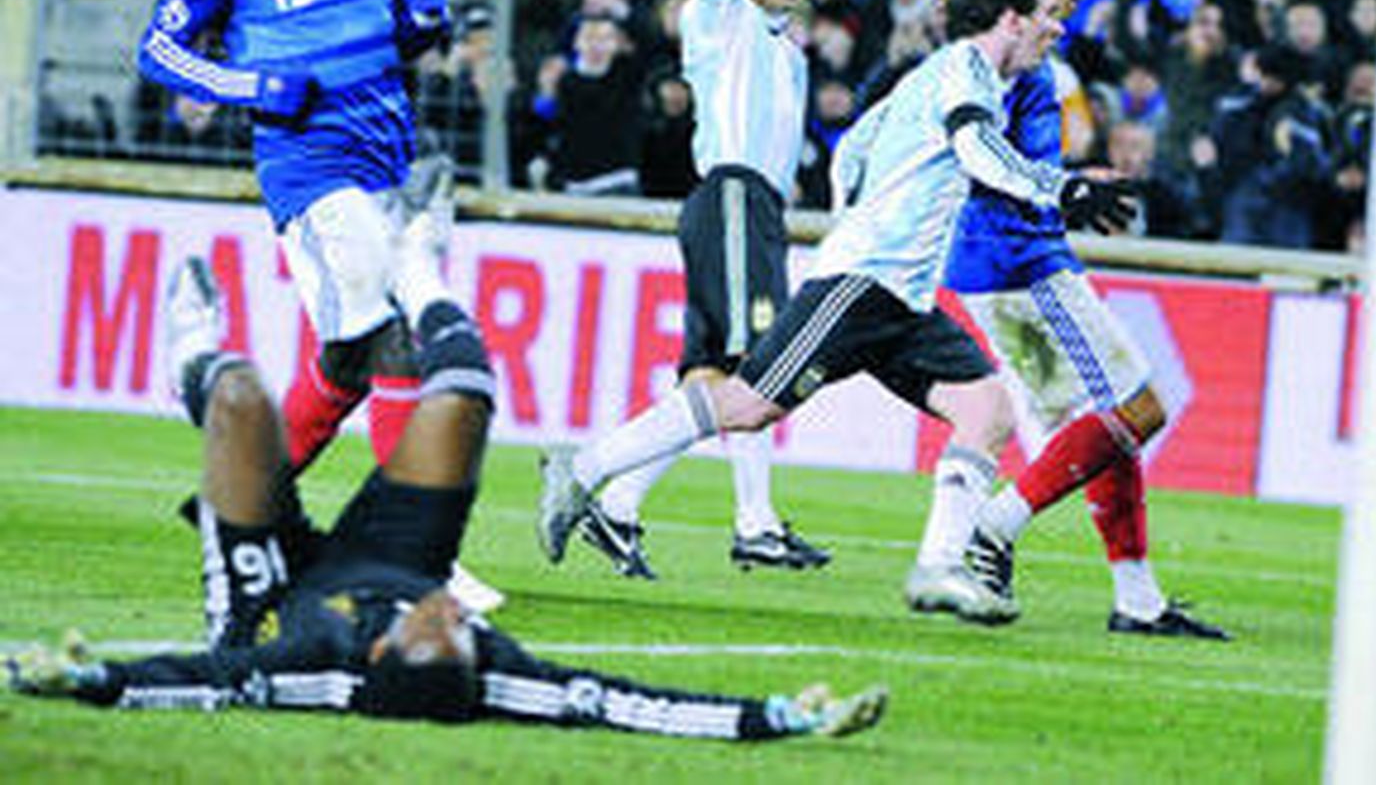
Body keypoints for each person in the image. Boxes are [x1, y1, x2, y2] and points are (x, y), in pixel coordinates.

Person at [5, 244, 887, 741]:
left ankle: (189, 347)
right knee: (465, 397)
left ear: (385, 657)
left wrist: (82, 677)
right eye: (463, 635)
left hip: (270, 598)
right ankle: (419, 261)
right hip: (395, 561)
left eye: (439, 631)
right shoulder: (487, 675)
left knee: (239, 398)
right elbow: (622, 703)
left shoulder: (308, 673)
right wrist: (778, 718)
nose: (456, 619)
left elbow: (198, 683)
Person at [540, 0, 1136, 625]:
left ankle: (937, 570)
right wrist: (1060, 187)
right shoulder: (966, 74)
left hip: (901, 297)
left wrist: (858, 210)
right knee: (745, 404)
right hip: (865, 281)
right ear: (1008, 18)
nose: (1055, 28)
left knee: (988, 408)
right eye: (1042, 16)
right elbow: (974, 148)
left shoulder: (938, 77)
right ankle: (583, 470)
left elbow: (854, 145)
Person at [133, 0, 500, 615]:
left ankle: (233, 507)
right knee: (396, 341)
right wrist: (255, 83)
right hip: (310, 169)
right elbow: (159, 51)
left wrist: (423, 20)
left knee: (343, 367)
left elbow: (403, 20)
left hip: (388, 157)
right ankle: (417, 557)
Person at [569, 0, 863, 579]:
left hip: (741, 204)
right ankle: (743, 519)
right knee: (758, 363)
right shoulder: (720, 10)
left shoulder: (770, 24)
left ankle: (620, 506)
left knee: (715, 375)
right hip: (734, 196)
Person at [936, 0, 1226, 639]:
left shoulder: (1028, 31)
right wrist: (1059, 191)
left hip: (998, 256)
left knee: (1106, 425)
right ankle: (993, 528)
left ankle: (1138, 599)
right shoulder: (1008, 35)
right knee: (1140, 409)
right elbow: (973, 140)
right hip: (1018, 256)